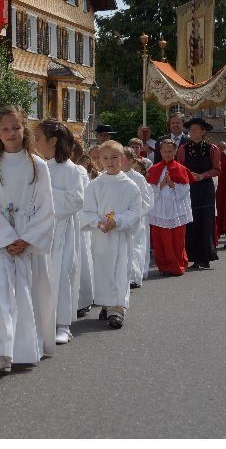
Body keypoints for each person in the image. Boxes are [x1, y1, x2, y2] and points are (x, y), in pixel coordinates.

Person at [0, 106, 55, 373]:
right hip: (1, 239)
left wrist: (27, 238)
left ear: (25, 130)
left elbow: (46, 206)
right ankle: (3, 352)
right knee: (1, 294)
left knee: (25, 293)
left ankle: (26, 348)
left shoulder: (37, 166)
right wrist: (6, 237)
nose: (11, 133)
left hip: (27, 239)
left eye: (16, 128)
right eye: (5, 129)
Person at [80, 141, 142, 329]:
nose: (110, 161)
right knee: (103, 271)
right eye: (105, 158)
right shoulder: (95, 185)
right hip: (101, 237)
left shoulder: (130, 186)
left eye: (114, 157)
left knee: (120, 271)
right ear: (99, 160)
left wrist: (119, 221)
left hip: (121, 238)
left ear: (122, 159)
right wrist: (96, 222)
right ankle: (106, 304)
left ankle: (117, 309)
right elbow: (86, 211)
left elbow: (135, 212)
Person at [33, 119, 84, 345]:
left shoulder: (70, 169)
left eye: (38, 139)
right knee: (42, 276)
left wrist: (45, 192)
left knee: (62, 275)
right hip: (40, 229)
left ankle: (63, 324)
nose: (35, 143)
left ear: (53, 141)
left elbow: (76, 200)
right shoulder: (37, 166)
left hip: (62, 231)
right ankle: (42, 321)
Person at [177, 118, 222, 269]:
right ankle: (194, 257)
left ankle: (205, 257)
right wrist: (189, 175)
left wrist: (202, 176)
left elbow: (217, 169)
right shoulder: (183, 149)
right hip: (189, 187)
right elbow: (179, 167)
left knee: (206, 222)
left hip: (205, 187)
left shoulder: (212, 149)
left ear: (203, 132)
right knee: (192, 222)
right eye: (191, 129)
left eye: (195, 129)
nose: (192, 132)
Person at [146, 139, 193, 275]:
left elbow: (186, 189)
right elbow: (148, 190)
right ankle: (164, 266)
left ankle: (177, 265)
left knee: (177, 239)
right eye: (165, 151)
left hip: (175, 209)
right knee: (161, 239)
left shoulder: (180, 168)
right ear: (160, 152)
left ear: (175, 151)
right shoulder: (154, 169)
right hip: (159, 209)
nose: (167, 154)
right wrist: (161, 184)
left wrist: (172, 184)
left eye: (170, 151)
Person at [119, 146, 152, 289]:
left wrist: (135, 214)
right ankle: (122, 275)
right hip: (120, 219)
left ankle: (134, 276)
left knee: (135, 247)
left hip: (136, 219)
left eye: (123, 159)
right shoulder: (115, 176)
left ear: (131, 161)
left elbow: (146, 200)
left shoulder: (138, 178)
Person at [72, 140, 96, 317]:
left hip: (78, 220)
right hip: (62, 221)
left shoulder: (79, 171)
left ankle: (84, 298)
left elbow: (84, 199)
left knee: (82, 259)